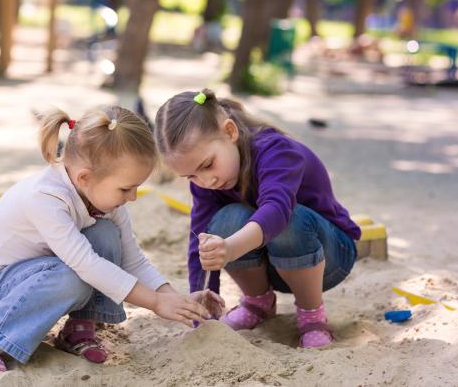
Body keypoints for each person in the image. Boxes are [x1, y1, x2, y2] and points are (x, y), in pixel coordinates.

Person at [0, 105, 224, 373]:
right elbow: (86, 264)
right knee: (75, 276)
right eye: (126, 188)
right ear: (85, 177)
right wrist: (154, 302)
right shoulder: (46, 198)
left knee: (105, 234)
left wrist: (174, 300)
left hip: (50, 276)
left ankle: (80, 327)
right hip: (1, 289)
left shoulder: (107, 202)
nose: (132, 197)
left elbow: (133, 259)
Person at [154, 89, 361, 348]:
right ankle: (258, 302)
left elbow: (276, 211)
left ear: (230, 132)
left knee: (288, 220)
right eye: (191, 176)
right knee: (225, 220)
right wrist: (203, 303)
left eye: (207, 165)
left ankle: (312, 315)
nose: (206, 181)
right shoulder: (206, 184)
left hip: (330, 257)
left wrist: (229, 248)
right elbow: (200, 239)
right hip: (274, 264)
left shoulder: (276, 151)